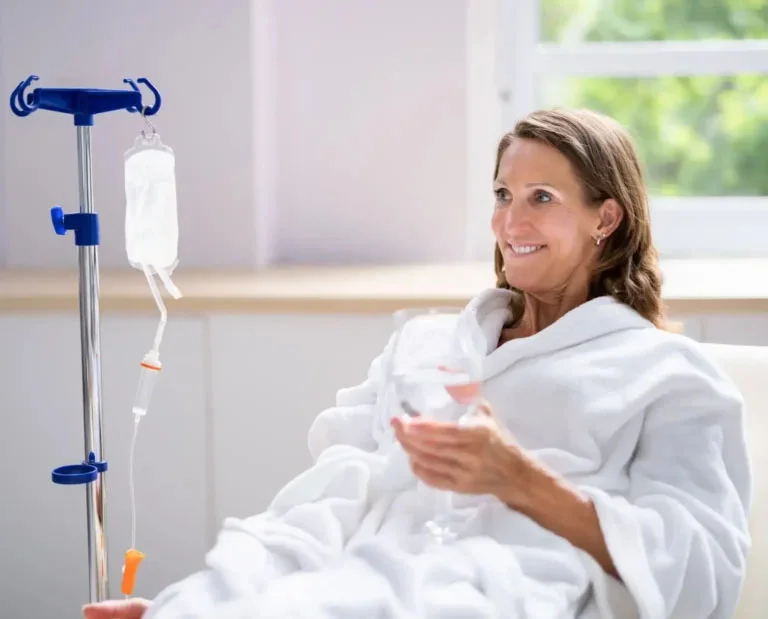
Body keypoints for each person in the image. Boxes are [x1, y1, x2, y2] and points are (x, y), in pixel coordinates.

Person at [84, 108, 751, 619]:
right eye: (501, 194)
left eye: (541, 197)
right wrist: (219, 600)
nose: (510, 220)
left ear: (606, 217)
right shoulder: (431, 343)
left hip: (500, 586)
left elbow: (703, 567)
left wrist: (520, 478)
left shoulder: (665, 372)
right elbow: (341, 485)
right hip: (359, 571)